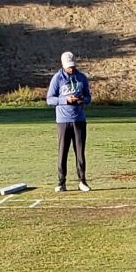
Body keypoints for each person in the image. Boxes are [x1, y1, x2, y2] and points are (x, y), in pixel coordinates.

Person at [46, 51, 92, 192]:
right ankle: (61, 182)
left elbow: (89, 97)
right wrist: (65, 100)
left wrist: (83, 99)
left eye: (72, 66)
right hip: (63, 121)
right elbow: (50, 99)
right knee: (62, 152)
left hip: (79, 120)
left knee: (80, 152)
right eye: (68, 67)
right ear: (63, 65)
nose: (71, 69)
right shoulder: (57, 78)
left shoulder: (81, 78)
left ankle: (82, 181)